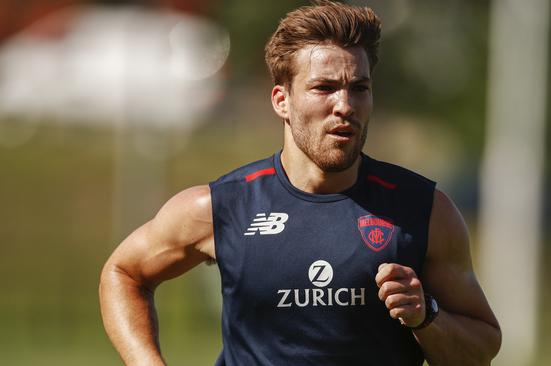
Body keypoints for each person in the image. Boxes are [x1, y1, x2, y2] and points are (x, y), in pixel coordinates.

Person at [99, 1, 501, 365]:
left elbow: (480, 349)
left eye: (359, 88)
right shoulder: (222, 207)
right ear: (281, 100)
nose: (344, 105)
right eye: (324, 88)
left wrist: (426, 315)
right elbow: (123, 274)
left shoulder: (424, 210)